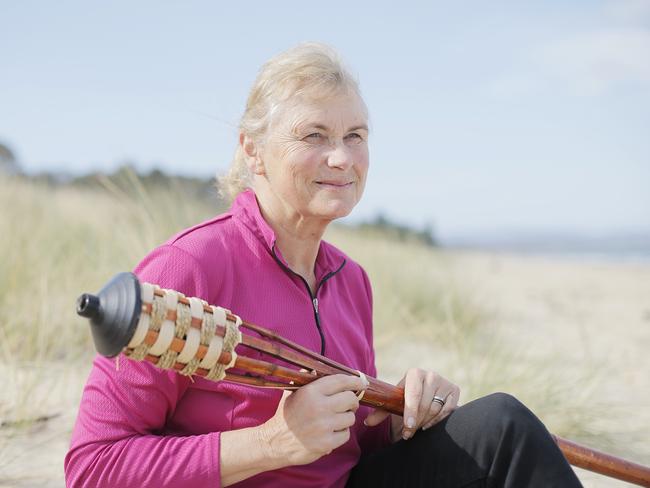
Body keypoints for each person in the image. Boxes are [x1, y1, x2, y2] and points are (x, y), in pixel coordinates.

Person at [64, 43, 582, 487]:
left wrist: (402, 415)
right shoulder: (189, 267)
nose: (342, 157)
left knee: (500, 426)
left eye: (355, 135)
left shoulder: (351, 280)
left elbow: (348, 446)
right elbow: (91, 467)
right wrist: (270, 443)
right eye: (314, 135)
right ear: (253, 151)